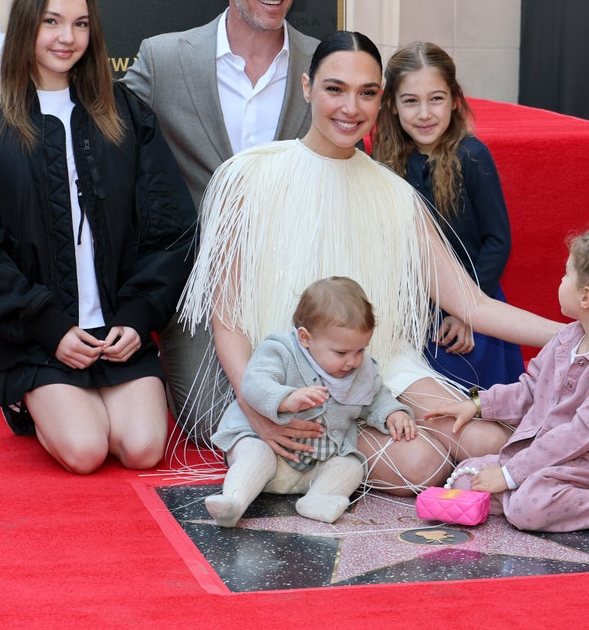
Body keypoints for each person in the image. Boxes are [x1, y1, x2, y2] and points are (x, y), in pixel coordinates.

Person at [178, 30, 564, 494]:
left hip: (382, 366)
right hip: (292, 375)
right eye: (334, 89)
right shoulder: (249, 177)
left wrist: (575, 334)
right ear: (307, 87)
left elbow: (473, 305)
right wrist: (260, 410)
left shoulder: (395, 195)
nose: (350, 107)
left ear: (380, 100)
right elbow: (229, 322)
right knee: (420, 464)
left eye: (366, 93)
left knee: (486, 440)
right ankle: (321, 450)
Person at [0, 0, 197, 474]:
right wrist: (48, 327)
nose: (68, 37)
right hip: (42, 338)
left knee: (144, 449)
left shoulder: (124, 112)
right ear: (26, 26)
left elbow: (170, 226)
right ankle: (28, 401)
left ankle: (93, 398)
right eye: (51, 21)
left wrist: (137, 315)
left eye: (80, 23)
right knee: (86, 452)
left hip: (117, 333)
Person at [122, 0, 319, 431]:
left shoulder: (322, 66)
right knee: (212, 424)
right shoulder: (166, 59)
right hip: (202, 287)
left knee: (323, 417)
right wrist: (1, 116)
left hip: (297, 282)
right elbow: (97, 114)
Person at [429, 228, 589, 531]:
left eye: (566, 275)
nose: (561, 281)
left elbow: (577, 435)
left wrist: (510, 474)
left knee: (531, 507)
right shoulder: (567, 338)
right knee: (466, 476)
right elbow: (531, 389)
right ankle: (519, 493)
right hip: (547, 456)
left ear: (586, 297)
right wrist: (477, 405)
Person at [373, 41, 524, 389]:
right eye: (411, 101)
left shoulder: (472, 157)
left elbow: (497, 241)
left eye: (436, 98)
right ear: (392, 106)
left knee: (469, 407)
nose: (424, 113)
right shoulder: (385, 159)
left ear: (455, 100)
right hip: (412, 305)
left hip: (470, 298)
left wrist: (466, 311)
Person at [205, 277, 417, 526]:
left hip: (317, 460)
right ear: (306, 338)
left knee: (350, 466)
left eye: (360, 350)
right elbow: (253, 382)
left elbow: (376, 395)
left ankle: (319, 499)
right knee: (254, 454)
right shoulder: (281, 351)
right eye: (341, 353)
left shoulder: (361, 371)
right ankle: (234, 501)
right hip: (267, 445)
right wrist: (285, 398)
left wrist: (392, 412)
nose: (352, 361)